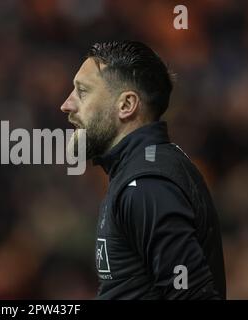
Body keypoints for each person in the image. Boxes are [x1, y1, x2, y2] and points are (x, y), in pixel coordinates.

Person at [60, 40, 226, 299]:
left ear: (126, 105)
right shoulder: (140, 171)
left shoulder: (148, 184)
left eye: (82, 92)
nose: (67, 105)